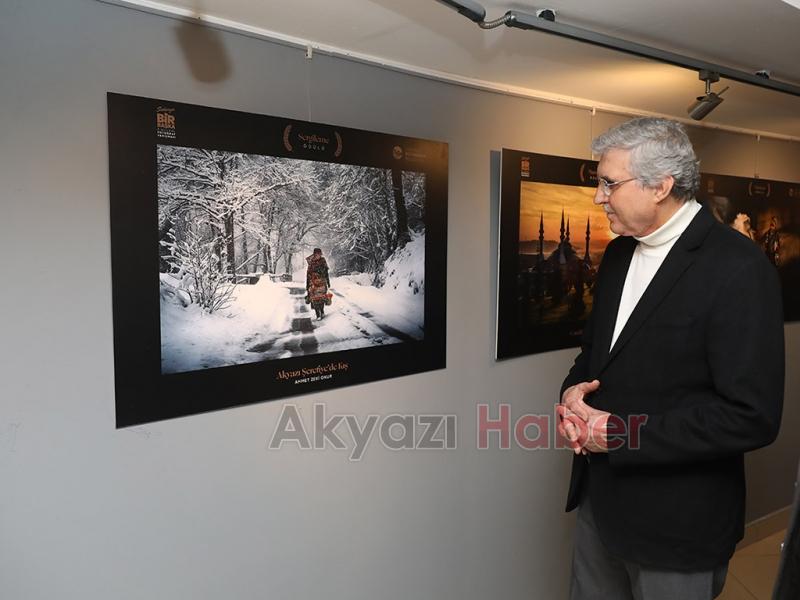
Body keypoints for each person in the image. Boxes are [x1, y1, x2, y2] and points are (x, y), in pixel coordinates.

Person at [556, 117, 784, 600]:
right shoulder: (618, 255)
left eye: (608, 183)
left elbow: (752, 417)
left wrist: (620, 435)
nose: (599, 196)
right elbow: (594, 356)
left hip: (677, 526)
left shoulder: (739, 268)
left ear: (660, 186)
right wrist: (572, 394)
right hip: (600, 506)